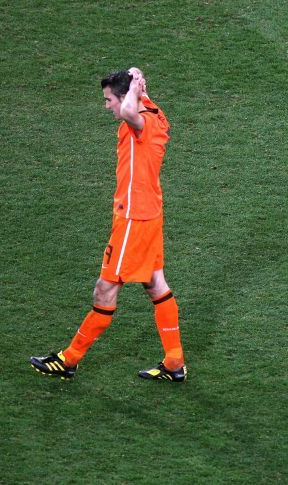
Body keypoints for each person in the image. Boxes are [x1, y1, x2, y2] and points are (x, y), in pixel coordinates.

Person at [30, 68, 187, 382]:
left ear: (125, 97)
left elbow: (129, 109)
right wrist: (136, 82)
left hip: (134, 219)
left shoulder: (139, 120)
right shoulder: (154, 110)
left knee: (105, 289)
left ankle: (69, 359)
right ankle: (174, 362)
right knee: (155, 284)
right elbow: (136, 99)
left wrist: (132, 91)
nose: (107, 106)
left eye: (108, 100)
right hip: (150, 212)